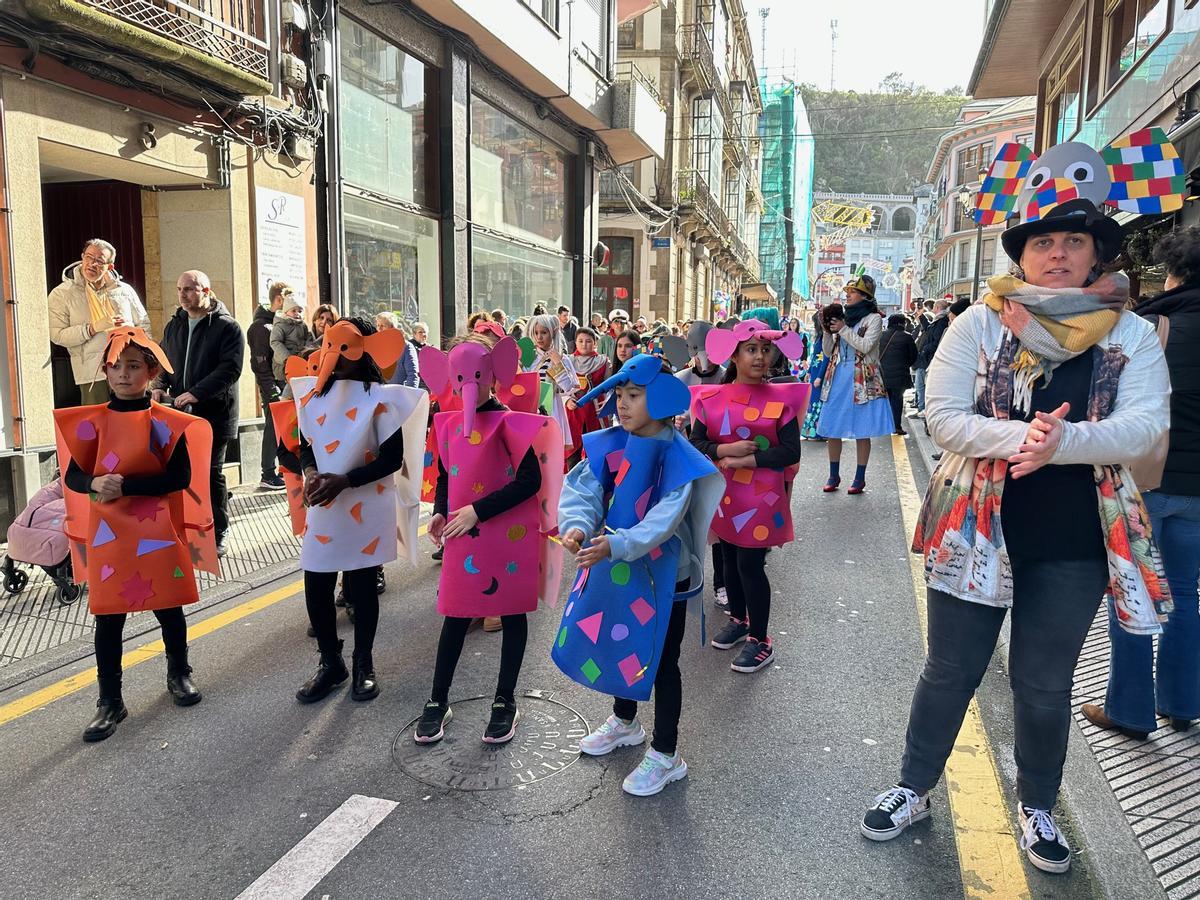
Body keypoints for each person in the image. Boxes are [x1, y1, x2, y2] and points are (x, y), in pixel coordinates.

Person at [862, 176, 1172, 875]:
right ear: (1021, 256)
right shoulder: (979, 323)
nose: (1057, 253)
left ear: (1096, 254)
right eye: (1043, 241)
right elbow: (945, 418)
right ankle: (914, 786)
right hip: (975, 526)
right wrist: (1026, 438)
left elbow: (1145, 426)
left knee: (1044, 684)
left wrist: (1065, 443)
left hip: (1075, 539)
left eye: (1073, 241)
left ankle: (1038, 805)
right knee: (950, 670)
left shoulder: (1130, 332)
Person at [556, 355, 723, 795]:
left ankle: (667, 754)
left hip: (666, 575)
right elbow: (586, 489)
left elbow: (665, 519)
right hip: (619, 563)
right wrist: (577, 525)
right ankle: (625, 721)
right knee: (621, 640)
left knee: (662, 660)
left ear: (663, 399)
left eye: (634, 395)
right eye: (619, 395)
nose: (622, 404)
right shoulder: (612, 443)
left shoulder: (677, 455)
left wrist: (618, 544)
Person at [54, 327, 218, 741]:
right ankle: (110, 700)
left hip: (156, 527)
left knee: (169, 607)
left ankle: (179, 673)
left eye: (133, 366)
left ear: (151, 373)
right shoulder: (91, 423)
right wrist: (94, 483)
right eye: (116, 366)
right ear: (105, 371)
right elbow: (73, 476)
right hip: (109, 533)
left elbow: (179, 477)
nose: (123, 374)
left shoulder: (165, 422)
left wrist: (125, 486)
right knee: (108, 617)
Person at [412, 334, 563, 744]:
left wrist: (477, 510)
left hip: (507, 534)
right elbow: (446, 475)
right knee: (456, 613)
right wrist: (441, 510)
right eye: (460, 377)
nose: (469, 386)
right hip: (463, 533)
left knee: (512, 613)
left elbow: (530, 480)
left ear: (494, 374)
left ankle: (504, 699)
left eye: (476, 376)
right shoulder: (447, 423)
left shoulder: (511, 422)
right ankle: (437, 699)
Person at [1083, 224, 1200, 740]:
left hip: (1147, 481)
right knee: (1186, 593)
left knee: (1132, 591)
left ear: (1173, 274)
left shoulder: (1150, 328)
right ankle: (1183, 701)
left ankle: (1129, 710)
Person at [291, 317, 427, 703]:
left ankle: (363, 664)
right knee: (316, 582)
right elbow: (305, 446)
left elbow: (392, 458)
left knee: (363, 585)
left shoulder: (380, 399)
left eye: (345, 345)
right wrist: (311, 473)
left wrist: (346, 481)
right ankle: (331, 664)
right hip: (325, 504)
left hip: (366, 503)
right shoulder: (312, 396)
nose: (335, 353)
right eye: (330, 344)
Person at [690, 319, 807, 673]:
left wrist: (747, 459)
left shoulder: (782, 401)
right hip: (725, 495)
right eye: (751, 350)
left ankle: (760, 639)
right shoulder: (711, 399)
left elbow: (790, 451)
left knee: (750, 565)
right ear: (734, 356)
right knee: (727, 559)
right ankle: (739, 619)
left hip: (761, 498)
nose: (760, 357)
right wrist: (725, 449)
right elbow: (696, 443)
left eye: (765, 350)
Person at [154, 271, 244, 558]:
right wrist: (159, 386)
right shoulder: (175, 324)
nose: (182, 294)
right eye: (180, 289)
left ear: (206, 291)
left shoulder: (227, 327)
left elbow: (230, 369)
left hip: (215, 414)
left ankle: (219, 531)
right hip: (180, 414)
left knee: (210, 473)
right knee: (181, 473)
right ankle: (187, 529)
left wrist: (196, 393)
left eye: (189, 289)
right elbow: (165, 360)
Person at [48, 239, 151, 405]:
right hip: (93, 374)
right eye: (89, 257)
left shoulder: (124, 291)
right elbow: (57, 335)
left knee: (132, 417)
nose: (92, 264)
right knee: (99, 420)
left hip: (129, 369)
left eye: (99, 261)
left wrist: (131, 333)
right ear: (82, 257)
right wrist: (92, 328)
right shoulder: (61, 294)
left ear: (110, 266)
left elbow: (144, 325)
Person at [816, 276, 893, 493]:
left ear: (865, 296)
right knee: (832, 427)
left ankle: (859, 478)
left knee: (862, 429)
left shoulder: (873, 319)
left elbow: (866, 346)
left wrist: (842, 329)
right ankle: (833, 475)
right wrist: (826, 331)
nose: (848, 295)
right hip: (838, 378)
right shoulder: (843, 319)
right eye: (847, 291)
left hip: (863, 380)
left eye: (853, 291)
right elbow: (829, 352)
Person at [247, 282, 289, 491]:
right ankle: (268, 474)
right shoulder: (261, 328)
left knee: (283, 430)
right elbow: (260, 365)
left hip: (284, 385)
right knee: (273, 428)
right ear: (279, 299)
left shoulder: (281, 324)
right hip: (273, 388)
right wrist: (273, 392)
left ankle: (280, 471)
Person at [525, 313, 578, 456]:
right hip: (531, 409)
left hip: (553, 408)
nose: (539, 337)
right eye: (536, 333)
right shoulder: (528, 358)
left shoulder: (562, 358)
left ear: (552, 333)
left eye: (543, 332)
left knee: (550, 455)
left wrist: (557, 363)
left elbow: (568, 388)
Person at [565, 327, 609, 467]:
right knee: (572, 457)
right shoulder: (567, 361)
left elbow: (610, 387)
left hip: (596, 412)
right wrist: (566, 400)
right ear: (575, 343)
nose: (584, 344)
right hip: (573, 413)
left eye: (588, 341)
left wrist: (608, 401)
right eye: (581, 341)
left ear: (595, 343)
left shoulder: (603, 361)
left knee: (596, 456)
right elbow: (558, 389)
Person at [878, 313, 918, 436]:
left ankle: (883, 425)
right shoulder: (907, 337)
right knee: (897, 400)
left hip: (882, 374)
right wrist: (905, 365)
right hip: (900, 375)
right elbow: (913, 356)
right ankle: (896, 426)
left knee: (884, 400)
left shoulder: (881, 335)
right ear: (902, 323)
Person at [912, 299, 949, 416]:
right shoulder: (938, 320)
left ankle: (923, 408)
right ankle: (922, 407)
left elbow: (936, 340)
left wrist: (924, 349)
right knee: (921, 384)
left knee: (921, 384)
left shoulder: (941, 321)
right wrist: (921, 316)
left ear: (937, 308)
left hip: (928, 358)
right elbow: (929, 330)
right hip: (926, 357)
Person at [271, 292, 312, 390]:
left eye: (300, 311)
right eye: (294, 311)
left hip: (300, 362)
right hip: (283, 363)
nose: (297, 313)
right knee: (288, 387)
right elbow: (275, 342)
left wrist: (307, 349)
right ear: (286, 312)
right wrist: (287, 358)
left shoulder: (302, 325)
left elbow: (308, 338)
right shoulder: (280, 325)